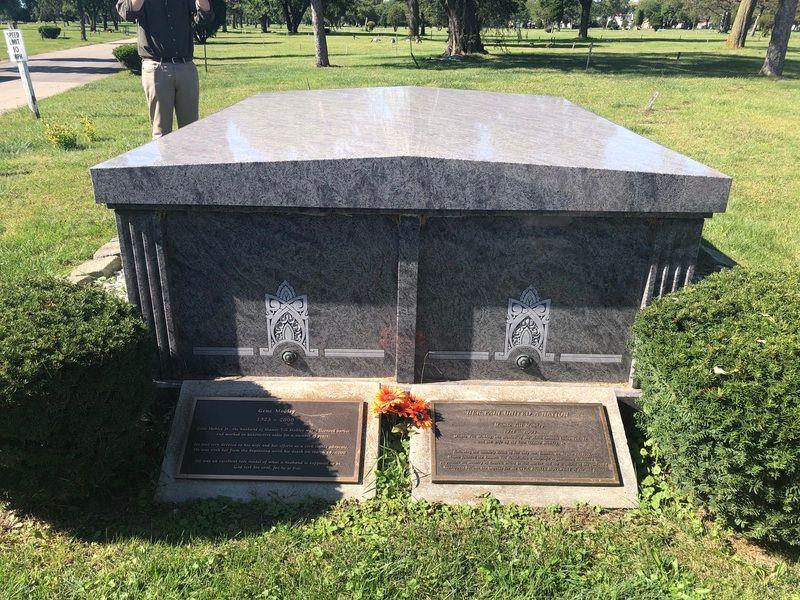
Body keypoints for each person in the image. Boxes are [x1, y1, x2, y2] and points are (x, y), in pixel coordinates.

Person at [117, 0, 214, 139]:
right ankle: (163, 160)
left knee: (192, 132)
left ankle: (189, 160)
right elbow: (128, 12)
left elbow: (205, 16)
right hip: (157, 68)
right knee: (161, 133)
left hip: (185, 67)